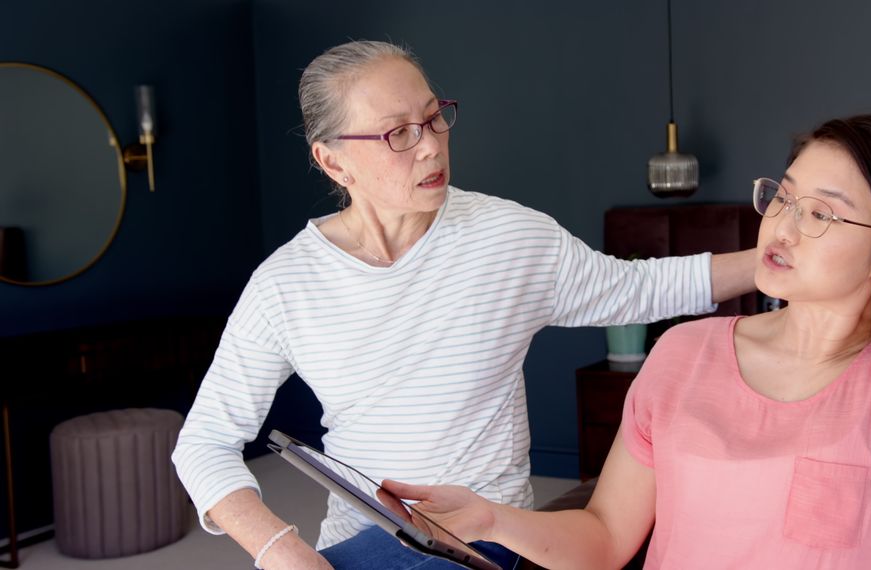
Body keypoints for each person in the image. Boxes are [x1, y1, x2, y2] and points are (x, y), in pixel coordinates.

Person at [381, 115, 871, 569]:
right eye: (784, 196)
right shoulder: (685, 354)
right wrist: (489, 519)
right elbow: (603, 539)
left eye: (822, 216)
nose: (781, 226)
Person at [170, 40, 756, 569]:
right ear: (332, 161)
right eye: (398, 133)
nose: (430, 147)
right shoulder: (285, 285)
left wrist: (770, 262)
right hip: (358, 544)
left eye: (433, 118)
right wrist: (282, 551)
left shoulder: (509, 238)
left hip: (485, 544)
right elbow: (204, 443)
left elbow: (642, 288)